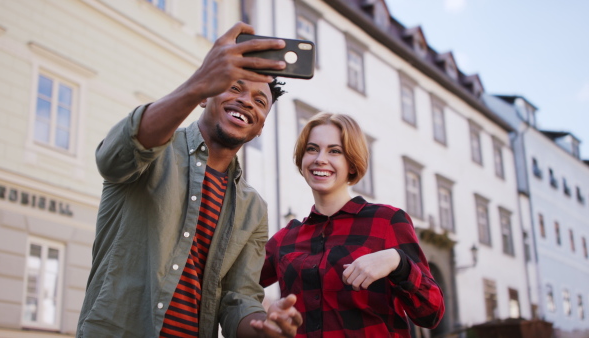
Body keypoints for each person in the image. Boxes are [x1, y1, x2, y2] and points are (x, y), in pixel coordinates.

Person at [76, 22, 303, 338]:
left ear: (260, 126)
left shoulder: (253, 209)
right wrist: (198, 82)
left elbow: (239, 299)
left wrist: (263, 328)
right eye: (234, 87)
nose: (247, 101)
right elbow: (112, 158)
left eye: (260, 101)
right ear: (204, 97)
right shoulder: (154, 149)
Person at [260, 113, 445, 337]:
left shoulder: (387, 221)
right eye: (312, 149)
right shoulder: (286, 238)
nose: (320, 158)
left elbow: (431, 314)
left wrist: (398, 263)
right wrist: (265, 312)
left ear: (352, 162)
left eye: (334, 151)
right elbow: (234, 284)